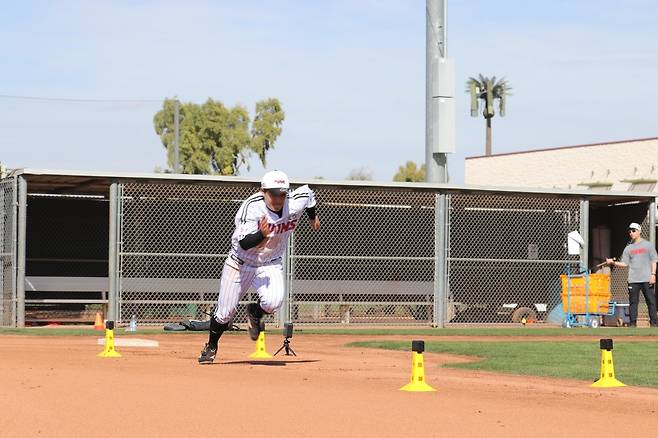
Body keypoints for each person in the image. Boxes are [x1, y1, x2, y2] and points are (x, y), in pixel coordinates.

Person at [198, 170, 320, 363]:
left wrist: (312, 218)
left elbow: (309, 194)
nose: (278, 198)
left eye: (282, 193)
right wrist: (262, 234)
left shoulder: (294, 201)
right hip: (240, 263)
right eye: (274, 194)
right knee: (225, 313)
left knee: (274, 302)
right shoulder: (251, 207)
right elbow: (244, 244)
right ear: (263, 191)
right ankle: (211, 346)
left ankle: (255, 313)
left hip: (270, 262)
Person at [606, 222, 657, 327]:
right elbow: (625, 264)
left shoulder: (648, 245)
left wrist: (653, 274)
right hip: (633, 280)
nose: (631, 233)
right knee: (633, 302)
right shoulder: (628, 248)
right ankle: (632, 324)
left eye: (634, 231)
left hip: (647, 278)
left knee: (651, 301)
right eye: (630, 231)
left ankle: (654, 324)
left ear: (639, 231)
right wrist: (613, 263)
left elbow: (654, 260)